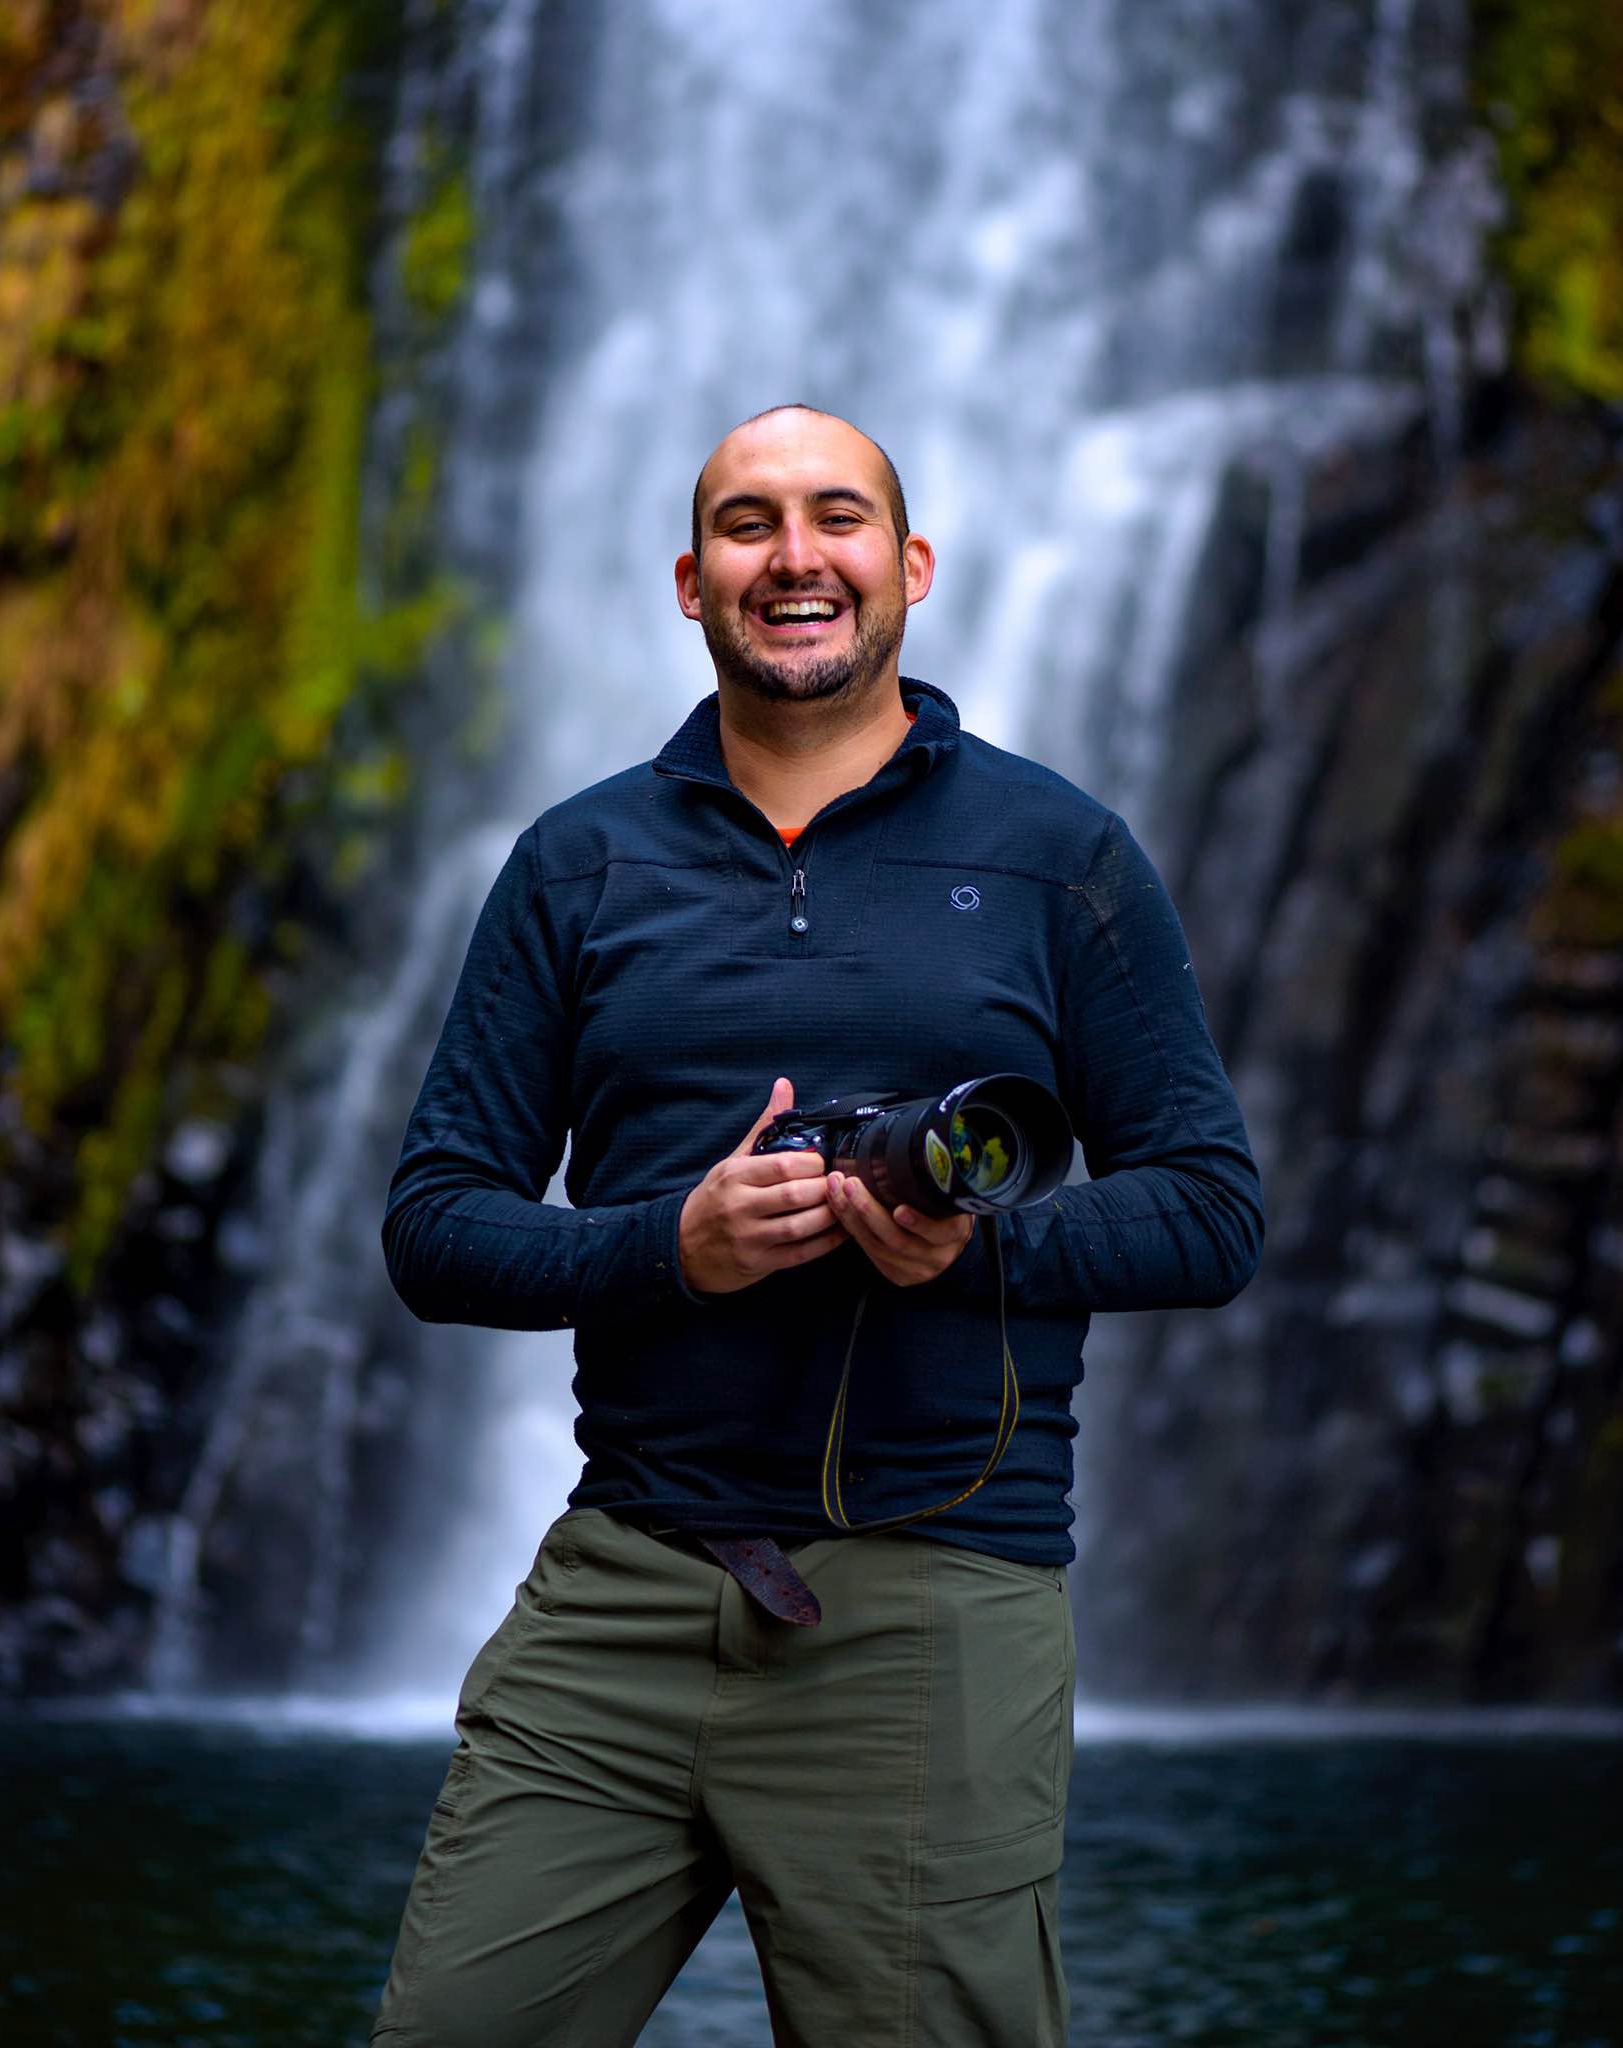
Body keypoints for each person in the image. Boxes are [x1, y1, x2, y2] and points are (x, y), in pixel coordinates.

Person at [371, 405, 1263, 2047]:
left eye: (837, 519)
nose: (796, 558)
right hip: (623, 1590)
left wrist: (976, 1249)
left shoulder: (1058, 858)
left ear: (907, 566)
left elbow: (1211, 1213)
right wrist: (670, 1247)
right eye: (749, 525)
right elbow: (434, 1227)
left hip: (930, 1613)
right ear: (688, 582)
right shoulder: (575, 864)